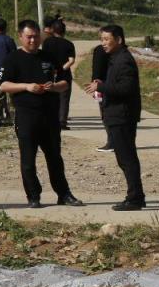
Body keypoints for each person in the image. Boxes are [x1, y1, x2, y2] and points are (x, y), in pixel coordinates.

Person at [0, 19, 82, 208]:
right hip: (27, 116)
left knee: (55, 158)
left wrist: (53, 87)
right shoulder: (12, 59)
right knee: (28, 160)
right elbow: (2, 85)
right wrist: (26, 86)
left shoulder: (49, 57)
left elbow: (65, 82)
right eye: (29, 37)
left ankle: (64, 194)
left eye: (36, 37)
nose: (33, 41)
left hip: (50, 116)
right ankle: (33, 196)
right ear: (20, 37)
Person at [86, 24, 145, 211]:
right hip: (116, 114)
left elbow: (126, 89)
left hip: (122, 116)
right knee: (123, 158)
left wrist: (101, 87)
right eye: (101, 40)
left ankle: (135, 197)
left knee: (127, 158)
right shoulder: (115, 58)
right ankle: (135, 196)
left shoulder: (124, 60)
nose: (103, 43)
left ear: (118, 40)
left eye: (106, 39)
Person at [40, 17, 76, 131]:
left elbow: (44, 57)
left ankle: (51, 120)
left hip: (50, 73)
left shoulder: (47, 42)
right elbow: (71, 60)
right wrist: (61, 69)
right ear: (64, 31)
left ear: (52, 30)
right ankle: (62, 122)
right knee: (64, 99)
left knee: (51, 97)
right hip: (64, 75)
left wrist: (53, 69)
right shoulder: (69, 44)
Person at [90, 42, 111, 153]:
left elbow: (96, 70)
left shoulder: (99, 50)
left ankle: (111, 142)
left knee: (104, 112)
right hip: (111, 86)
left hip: (100, 86)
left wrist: (94, 85)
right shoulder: (119, 51)